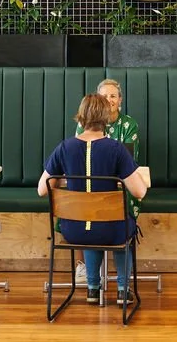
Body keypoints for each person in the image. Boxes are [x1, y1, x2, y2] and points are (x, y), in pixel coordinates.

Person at [38, 93, 148, 305]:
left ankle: (92, 288)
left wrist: (64, 181)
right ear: (106, 119)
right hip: (110, 230)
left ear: (81, 118)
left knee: (88, 217)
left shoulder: (64, 148)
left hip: (73, 230)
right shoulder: (116, 149)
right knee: (121, 225)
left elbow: (42, 189)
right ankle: (123, 290)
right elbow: (140, 191)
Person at [72, 78, 142, 285]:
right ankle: (115, 284)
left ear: (120, 100)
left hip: (109, 193)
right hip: (101, 192)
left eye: (113, 96)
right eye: (104, 96)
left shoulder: (129, 124)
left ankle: (95, 285)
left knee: (89, 213)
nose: (109, 100)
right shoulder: (84, 130)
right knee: (103, 214)